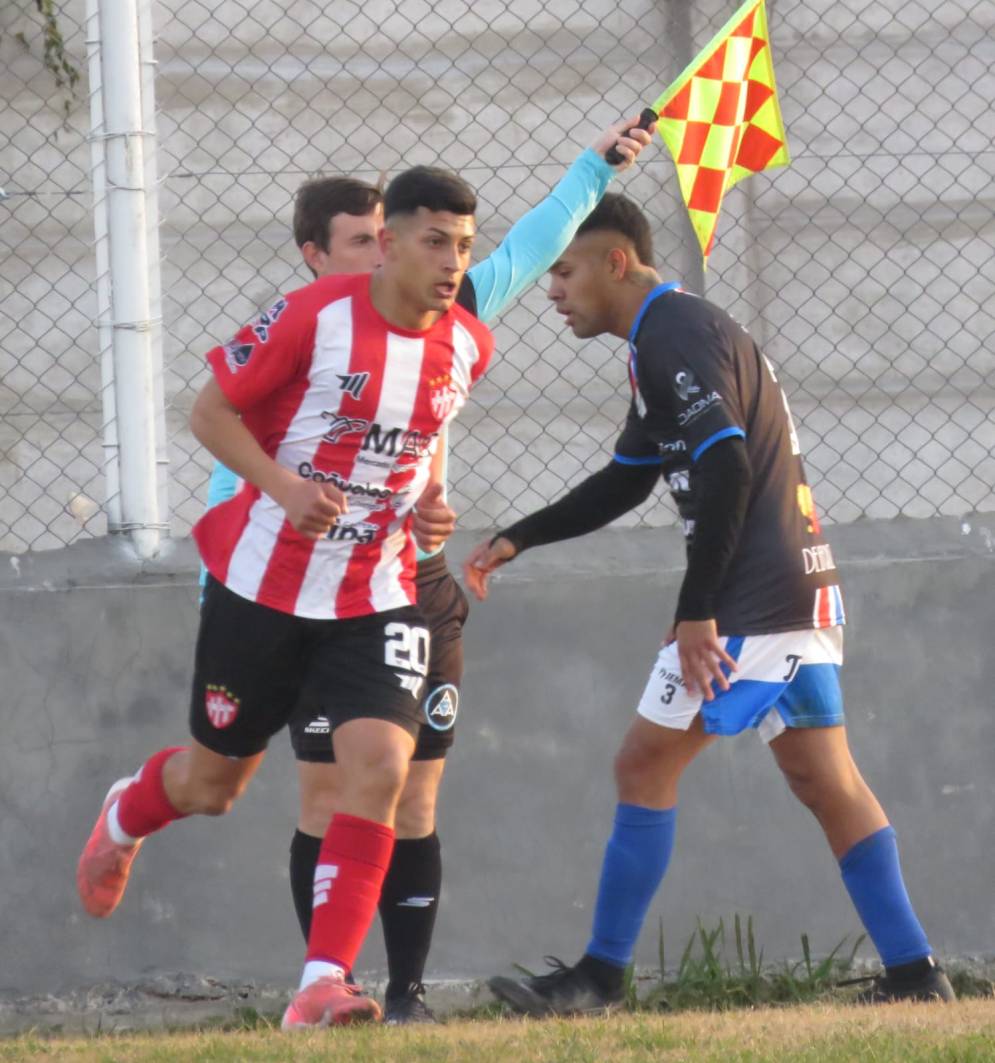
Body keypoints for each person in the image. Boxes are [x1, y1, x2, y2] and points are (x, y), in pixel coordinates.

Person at [203, 121, 654, 1022]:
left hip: (412, 588)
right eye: (364, 241)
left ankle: (397, 992)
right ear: (316, 258)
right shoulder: (300, 346)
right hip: (296, 593)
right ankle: (320, 972)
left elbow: (531, 245)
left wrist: (594, 165)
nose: (395, 254)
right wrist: (282, 508)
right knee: (289, 787)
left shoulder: (452, 312)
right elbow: (233, 480)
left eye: (393, 234)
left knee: (409, 781)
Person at [464, 193, 955, 1014]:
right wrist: (520, 535)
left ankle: (597, 978)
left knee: (644, 762)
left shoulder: (674, 334)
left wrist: (701, 610)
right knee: (820, 774)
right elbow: (630, 475)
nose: (552, 289)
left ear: (617, 261)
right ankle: (915, 973)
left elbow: (726, 469)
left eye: (565, 268)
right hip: (795, 587)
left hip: (755, 600)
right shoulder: (665, 334)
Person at [76, 166, 498, 1029]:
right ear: (386, 244)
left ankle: (321, 982)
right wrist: (280, 486)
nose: (452, 262)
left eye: (463, 244)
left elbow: (415, 439)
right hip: (261, 589)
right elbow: (208, 413)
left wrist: (425, 501)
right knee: (212, 784)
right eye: (433, 241)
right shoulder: (314, 317)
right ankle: (127, 811)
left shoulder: (466, 344)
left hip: (376, 593)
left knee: (378, 766)